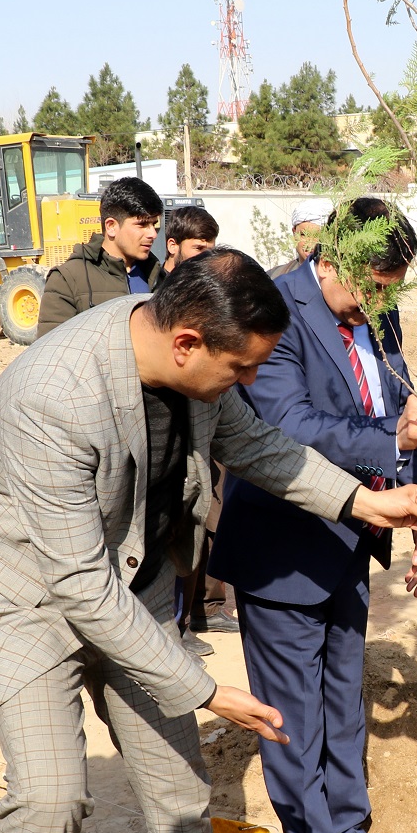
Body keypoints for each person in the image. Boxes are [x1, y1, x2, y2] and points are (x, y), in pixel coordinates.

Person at [0, 248, 417, 833]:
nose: (245, 385)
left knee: (177, 780)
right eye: (239, 370)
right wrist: (205, 687)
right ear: (188, 343)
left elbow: (261, 448)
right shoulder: (56, 393)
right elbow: (77, 587)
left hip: (127, 576)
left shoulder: (200, 363)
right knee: (52, 793)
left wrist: (369, 506)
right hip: (23, 600)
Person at [211, 198, 417, 833]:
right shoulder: (276, 310)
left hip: (350, 539)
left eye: (391, 289)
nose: (383, 301)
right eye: (375, 284)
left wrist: (412, 505)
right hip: (282, 548)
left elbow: (396, 404)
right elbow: (291, 430)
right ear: (338, 259)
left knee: (343, 700)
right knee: (292, 718)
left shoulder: (373, 316)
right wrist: (391, 435)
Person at [159, 204, 235, 644]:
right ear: (175, 246)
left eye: (212, 247)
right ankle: (174, 630)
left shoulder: (206, 292)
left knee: (206, 519)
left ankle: (194, 616)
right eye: (199, 247)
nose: (206, 255)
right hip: (171, 431)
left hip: (208, 425)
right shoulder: (160, 295)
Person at [36, 176, 165, 337]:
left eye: (154, 224)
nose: (152, 234)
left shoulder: (158, 276)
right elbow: (50, 351)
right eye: (142, 225)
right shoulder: (68, 280)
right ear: (111, 226)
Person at [269, 199, 332, 279]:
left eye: (317, 236)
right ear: (294, 233)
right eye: (303, 235)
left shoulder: (341, 279)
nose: (309, 244)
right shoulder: (275, 276)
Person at [163, 204, 218, 272]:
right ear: (172, 246)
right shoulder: (150, 281)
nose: (206, 257)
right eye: (199, 248)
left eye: (210, 251)